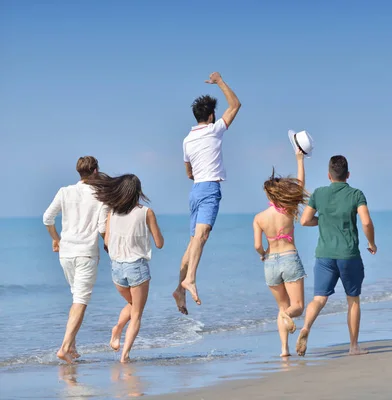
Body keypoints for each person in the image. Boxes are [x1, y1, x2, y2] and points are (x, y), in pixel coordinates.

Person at [173, 71, 242, 314]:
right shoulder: (215, 130)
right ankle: (189, 279)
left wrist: (197, 174)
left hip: (195, 190)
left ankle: (179, 289)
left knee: (193, 243)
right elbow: (236, 105)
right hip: (210, 188)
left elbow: (188, 171)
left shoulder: (186, 140)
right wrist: (220, 81)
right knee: (201, 237)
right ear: (211, 116)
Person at [296, 155, 377, 356]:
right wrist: (372, 242)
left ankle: (306, 327)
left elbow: (305, 221)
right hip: (348, 255)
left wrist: (323, 220)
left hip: (324, 256)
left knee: (319, 298)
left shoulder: (319, 194)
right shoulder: (356, 194)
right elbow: (366, 222)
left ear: (328, 175)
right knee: (353, 300)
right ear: (348, 175)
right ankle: (353, 346)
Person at [86, 173, 164, 363]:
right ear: (138, 192)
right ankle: (125, 355)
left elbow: (106, 240)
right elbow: (159, 243)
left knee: (132, 305)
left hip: (116, 269)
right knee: (137, 313)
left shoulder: (113, 212)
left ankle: (118, 329)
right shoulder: (146, 212)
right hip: (136, 267)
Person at [43, 156, 109, 363]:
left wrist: (56, 239)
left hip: (66, 253)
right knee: (80, 301)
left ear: (78, 172)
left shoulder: (65, 191)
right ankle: (64, 347)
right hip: (86, 253)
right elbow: (102, 229)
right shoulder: (101, 196)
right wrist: (111, 247)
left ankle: (71, 346)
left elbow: (47, 218)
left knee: (76, 298)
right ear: (96, 171)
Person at [253, 148, 309, 357]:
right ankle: (287, 318)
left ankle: (284, 350)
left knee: (282, 307)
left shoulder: (259, 217)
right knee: (297, 307)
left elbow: (257, 246)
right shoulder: (288, 209)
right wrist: (300, 160)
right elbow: (301, 186)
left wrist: (264, 252)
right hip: (289, 259)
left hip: (270, 263)